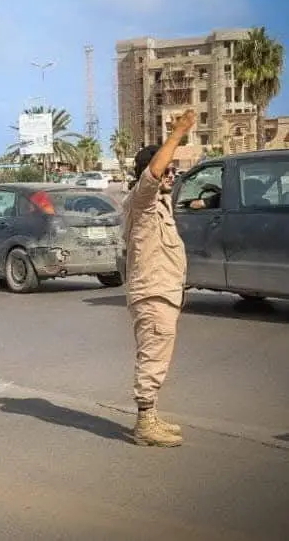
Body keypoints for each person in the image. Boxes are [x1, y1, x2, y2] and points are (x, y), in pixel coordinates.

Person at [122, 109, 196, 448]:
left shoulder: (160, 204)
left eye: (173, 170)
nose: (170, 174)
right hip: (152, 294)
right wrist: (178, 133)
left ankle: (151, 416)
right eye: (166, 169)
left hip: (163, 292)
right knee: (153, 358)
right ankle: (145, 424)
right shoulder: (143, 200)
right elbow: (152, 174)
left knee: (158, 355)